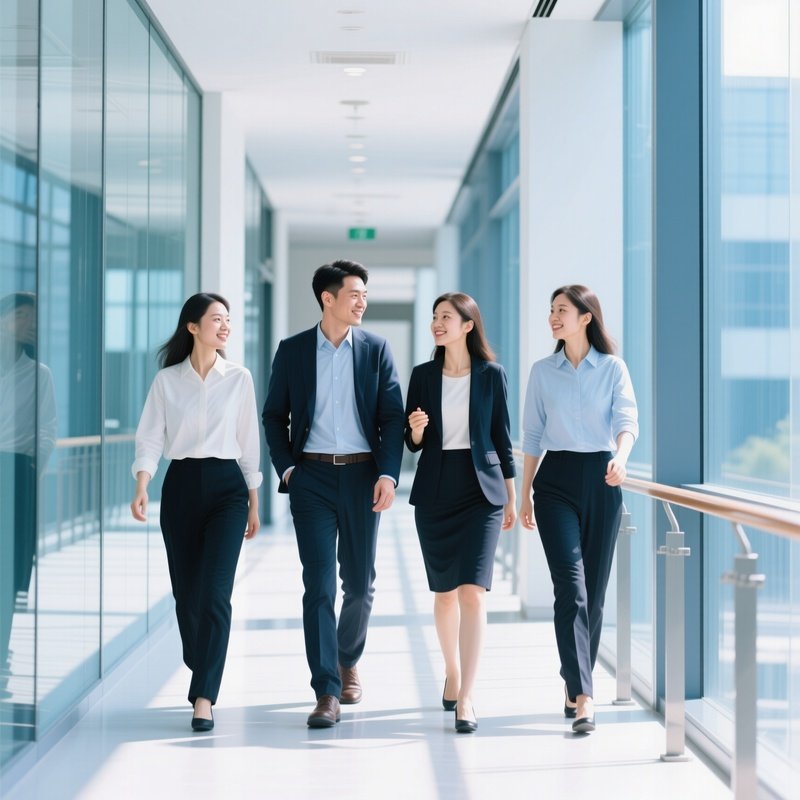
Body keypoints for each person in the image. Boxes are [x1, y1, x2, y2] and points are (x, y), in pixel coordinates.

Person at [262, 259, 404, 728]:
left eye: (365, 294)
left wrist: (388, 474)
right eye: (354, 294)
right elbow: (273, 416)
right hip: (312, 480)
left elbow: (391, 417)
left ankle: (347, 658)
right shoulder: (294, 350)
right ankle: (326, 689)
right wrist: (287, 471)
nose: (362, 301)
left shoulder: (376, 350)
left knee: (360, 584)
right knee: (318, 585)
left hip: (364, 476)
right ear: (328, 299)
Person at [130, 292, 261, 732]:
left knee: (216, 593)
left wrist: (254, 499)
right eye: (216, 319)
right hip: (182, 486)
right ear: (193, 327)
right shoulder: (167, 382)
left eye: (229, 320)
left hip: (227, 489)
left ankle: (204, 695)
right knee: (187, 595)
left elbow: (248, 442)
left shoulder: (239, 378)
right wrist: (142, 484)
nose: (225, 326)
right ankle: (200, 658)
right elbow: (149, 438)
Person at [518, 285, 638, 734]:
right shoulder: (542, 372)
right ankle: (584, 694)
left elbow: (627, 421)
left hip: (603, 478)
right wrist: (525, 491)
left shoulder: (612, 368)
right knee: (571, 586)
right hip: (556, 482)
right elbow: (532, 434)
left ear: (586, 317)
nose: (553, 317)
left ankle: (574, 682)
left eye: (562, 310)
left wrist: (621, 459)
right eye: (551, 310)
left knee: (595, 591)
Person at [405, 292, 516, 734]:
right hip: (435, 488)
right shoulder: (422, 375)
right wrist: (414, 433)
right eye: (434, 317)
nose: (437, 323)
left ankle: (467, 695)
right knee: (445, 592)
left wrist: (509, 496)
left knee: (474, 592)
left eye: (446, 317)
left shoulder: (491, 375)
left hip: (480, 491)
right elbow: (410, 441)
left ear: (468, 325)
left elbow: (501, 438)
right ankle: (451, 670)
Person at [0, 293, 57, 694]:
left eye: (33, 318)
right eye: (22, 315)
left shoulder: (39, 373)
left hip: (16, 471)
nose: (29, 323)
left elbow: (47, 429)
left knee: (10, 571)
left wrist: (30, 467)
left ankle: (1, 650)